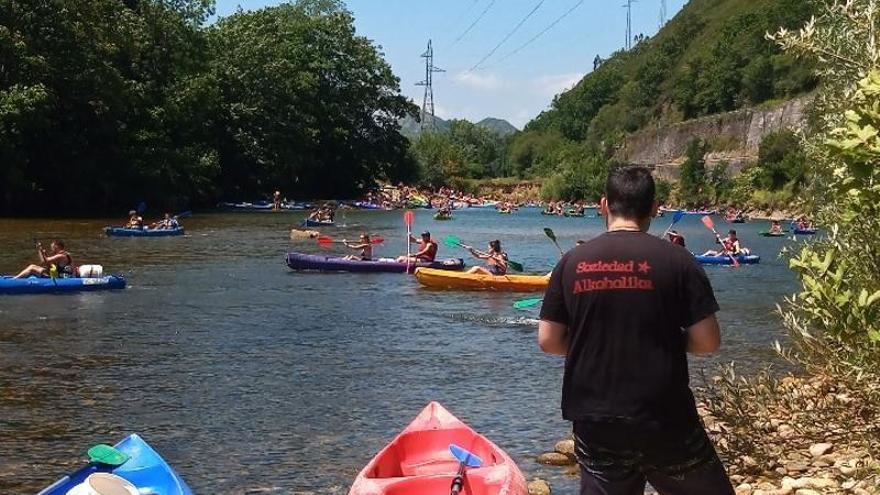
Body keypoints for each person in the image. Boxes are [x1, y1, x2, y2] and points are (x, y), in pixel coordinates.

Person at [538, 166, 733, 495]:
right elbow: (707, 341)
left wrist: (595, 344)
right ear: (655, 208)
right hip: (664, 416)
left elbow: (549, 340)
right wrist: (665, 340)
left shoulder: (571, 262)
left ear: (603, 205)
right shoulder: (679, 261)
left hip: (595, 419)